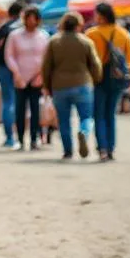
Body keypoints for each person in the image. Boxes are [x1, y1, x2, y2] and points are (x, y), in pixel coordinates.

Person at [40, 13, 101, 160]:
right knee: (87, 117)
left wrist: (47, 85)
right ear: (78, 25)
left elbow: (46, 66)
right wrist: (96, 80)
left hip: (59, 86)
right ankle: (84, 132)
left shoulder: (54, 42)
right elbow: (95, 64)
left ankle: (68, 151)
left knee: (64, 120)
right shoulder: (85, 41)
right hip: (82, 84)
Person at [84, 2, 130, 161]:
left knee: (98, 115)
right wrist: (129, 76)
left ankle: (103, 149)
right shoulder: (123, 33)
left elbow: (86, 60)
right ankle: (111, 148)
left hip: (98, 78)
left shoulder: (91, 34)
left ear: (101, 16)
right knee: (110, 114)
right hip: (117, 77)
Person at [4, 5, 50, 151]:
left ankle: (34, 139)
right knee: (19, 109)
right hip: (20, 78)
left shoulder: (43, 36)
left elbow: (47, 58)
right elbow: (9, 55)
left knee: (36, 110)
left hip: (37, 78)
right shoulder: (15, 35)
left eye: (33, 19)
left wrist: (41, 75)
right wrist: (16, 74)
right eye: (28, 18)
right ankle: (21, 139)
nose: (31, 22)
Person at [0, 2, 25, 149]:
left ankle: (10, 137)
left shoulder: (4, 28)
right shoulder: (21, 28)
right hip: (22, 69)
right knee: (22, 102)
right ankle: (27, 136)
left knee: (8, 102)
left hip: (3, 68)